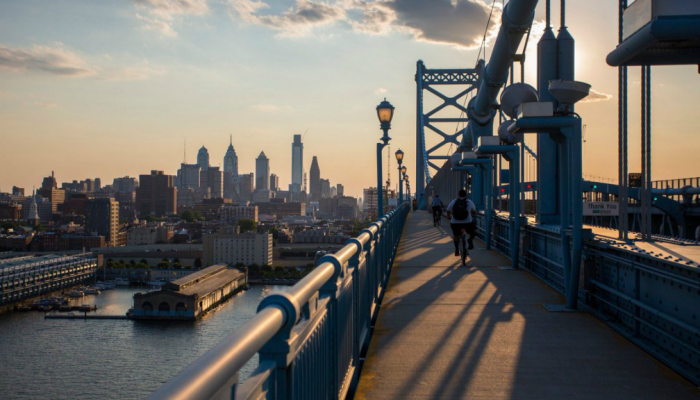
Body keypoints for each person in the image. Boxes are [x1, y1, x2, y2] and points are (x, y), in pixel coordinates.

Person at [446, 189, 477, 257]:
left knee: (456, 235)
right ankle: (470, 240)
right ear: (465, 195)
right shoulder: (469, 202)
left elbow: (448, 210)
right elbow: (474, 211)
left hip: (455, 222)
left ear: (458, 195)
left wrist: (448, 217)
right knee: (473, 230)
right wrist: (471, 214)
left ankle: (457, 250)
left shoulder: (454, 201)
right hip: (467, 222)